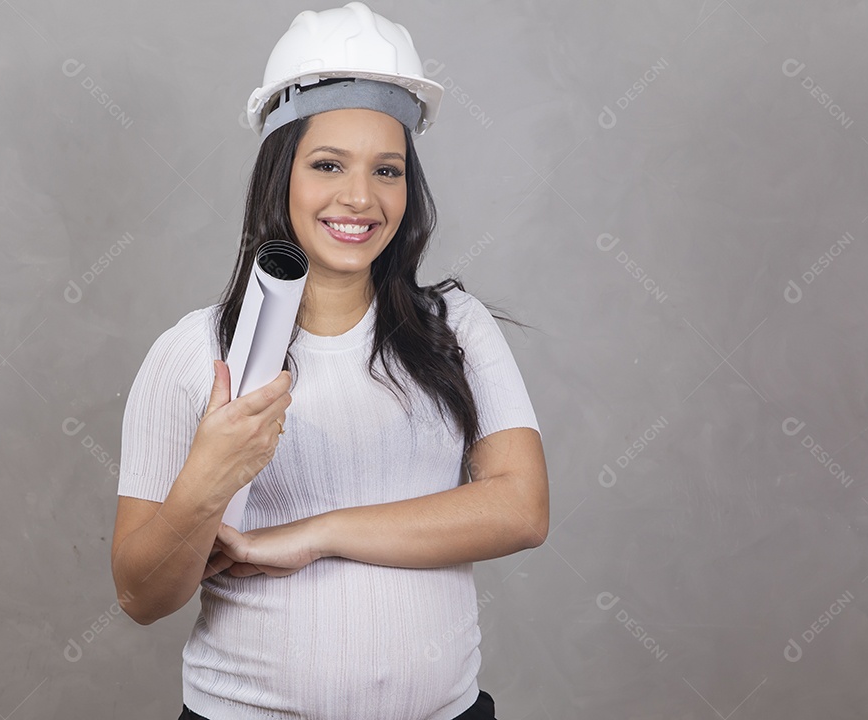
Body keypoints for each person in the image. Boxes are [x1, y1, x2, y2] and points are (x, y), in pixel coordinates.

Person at [110, 3, 549, 719]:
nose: (360, 197)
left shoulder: (455, 329)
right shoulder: (192, 353)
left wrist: (311, 536)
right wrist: (207, 478)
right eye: (327, 165)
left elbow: (521, 509)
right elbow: (141, 595)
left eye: (387, 170)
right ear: (280, 174)